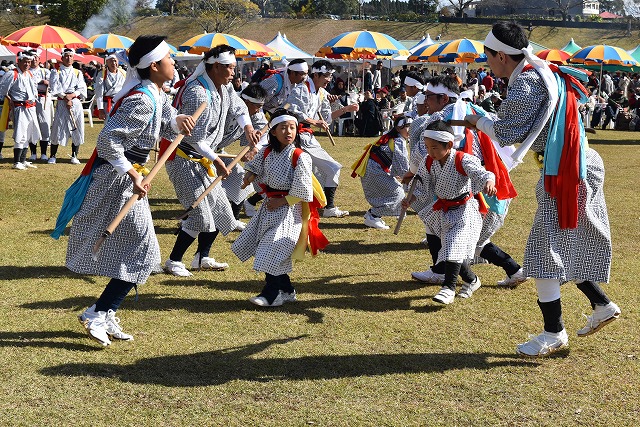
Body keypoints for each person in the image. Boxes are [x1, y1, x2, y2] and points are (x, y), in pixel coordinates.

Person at [466, 21, 620, 357]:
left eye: (487, 57)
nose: (487, 63)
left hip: (566, 173)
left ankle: (554, 332)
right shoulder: (542, 70)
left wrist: (474, 119)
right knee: (561, 246)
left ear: (502, 57)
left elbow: (506, 133)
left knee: (542, 253)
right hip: (574, 166)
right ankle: (601, 305)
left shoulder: (525, 82)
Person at [67, 35, 196, 346]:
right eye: (168, 59)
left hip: (130, 179)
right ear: (154, 66)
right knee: (145, 252)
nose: (173, 63)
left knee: (141, 251)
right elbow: (107, 141)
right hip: (117, 181)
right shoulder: (141, 98)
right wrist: (132, 174)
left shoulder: (156, 94)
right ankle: (98, 312)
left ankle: (104, 311)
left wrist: (178, 122)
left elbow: (163, 127)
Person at [409, 75, 524, 286]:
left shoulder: (442, 120)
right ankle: (513, 270)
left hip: (472, 192)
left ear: (443, 98)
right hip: (487, 187)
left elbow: (422, 153)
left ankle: (451, 277)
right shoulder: (478, 113)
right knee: (465, 238)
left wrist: (412, 171)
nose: (426, 100)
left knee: (458, 237)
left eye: (429, 96)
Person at [163, 45, 259, 277]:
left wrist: (248, 128)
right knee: (200, 214)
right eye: (231, 68)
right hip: (184, 159)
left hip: (205, 158)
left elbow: (239, 108)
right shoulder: (198, 92)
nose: (234, 73)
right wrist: (216, 159)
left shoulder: (224, 88)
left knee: (221, 211)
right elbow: (195, 139)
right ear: (216, 66)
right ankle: (173, 260)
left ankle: (201, 257)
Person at [232, 109, 322, 307]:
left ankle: (271, 294)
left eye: (292, 128)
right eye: (283, 128)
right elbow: (255, 167)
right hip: (268, 208)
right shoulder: (266, 152)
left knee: (272, 248)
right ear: (273, 131)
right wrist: (249, 177)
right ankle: (287, 290)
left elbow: (303, 189)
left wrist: (282, 201)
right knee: (269, 247)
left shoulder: (300, 156)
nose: (289, 132)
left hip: (289, 210)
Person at [403, 121, 496, 304]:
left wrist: (489, 182)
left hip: (464, 210)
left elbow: (482, 173)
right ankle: (472, 280)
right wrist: (410, 198)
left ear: (449, 145)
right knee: (451, 250)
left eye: (435, 147)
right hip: (443, 210)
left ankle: (448, 288)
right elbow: (421, 186)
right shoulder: (428, 161)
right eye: (428, 147)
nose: (430, 151)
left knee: (453, 247)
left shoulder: (463, 159)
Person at [286, 59, 351, 218]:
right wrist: (315, 122)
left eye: (330, 76)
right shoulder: (301, 90)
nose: (329, 80)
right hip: (298, 137)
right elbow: (294, 112)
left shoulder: (322, 92)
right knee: (331, 168)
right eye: (327, 76)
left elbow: (327, 118)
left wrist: (345, 109)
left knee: (311, 174)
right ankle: (328, 207)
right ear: (316, 75)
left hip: (308, 137)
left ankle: (323, 206)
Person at [218, 83, 269, 230]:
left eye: (261, 106)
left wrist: (255, 149)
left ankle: (234, 220)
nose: (259, 110)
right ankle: (190, 220)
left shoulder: (256, 113)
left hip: (219, 151)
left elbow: (264, 134)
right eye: (257, 105)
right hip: (200, 152)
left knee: (241, 180)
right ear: (246, 102)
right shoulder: (226, 104)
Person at [352, 115, 411, 229]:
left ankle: (374, 216)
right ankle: (372, 215)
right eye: (407, 127)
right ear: (399, 128)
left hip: (372, 169)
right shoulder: (398, 141)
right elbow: (402, 164)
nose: (410, 130)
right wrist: (409, 176)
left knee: (394, 192)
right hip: (374, 170)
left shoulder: (391, 136)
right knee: (398, 194)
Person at [0, 50, 40, 170]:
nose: (27, 64)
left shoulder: (29, 74)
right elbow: (3, 89)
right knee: (20, 133)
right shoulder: (13, 74)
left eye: (29, 62)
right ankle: (16, 161)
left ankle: (23, 159)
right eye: (25, 62)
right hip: (20, 107)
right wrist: (10, 100)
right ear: (19, 61)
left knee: (28, 133)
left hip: (31, 107)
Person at [48, 48, 87, 165]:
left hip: (75, 102)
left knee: (77, 127)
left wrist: (72, 96)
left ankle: (74, 155)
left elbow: (82, 88)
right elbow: (55, 87)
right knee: (57, 127)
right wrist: (65, 97)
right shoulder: (56, 71)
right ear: (62, 57)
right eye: (66, 56)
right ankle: (53, 155)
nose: (68, 58)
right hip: (62, 102)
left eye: (71, 56)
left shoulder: (77, 72)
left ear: (73, 58)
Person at [28, 50, 52, 162]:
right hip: (31, 100)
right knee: (32, 125)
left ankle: (43, 153)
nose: (34, 60)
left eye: (36, 58)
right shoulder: (27, 72)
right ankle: (33, 152)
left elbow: (53, 83)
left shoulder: (45, 71)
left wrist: (47, 82)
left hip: (43, 99)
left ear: (39, 59)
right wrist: (41, 81)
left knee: (44, 124)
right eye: (32, 58)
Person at [94, 54, 126, 121]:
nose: (113, 63)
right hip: (108, 104)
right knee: (109, 125)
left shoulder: (123, 73)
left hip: (121, 103)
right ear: (107, 63)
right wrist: (100, 109)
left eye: (115, 61)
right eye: (111, 61)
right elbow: (99, 92)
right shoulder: (102, 74)